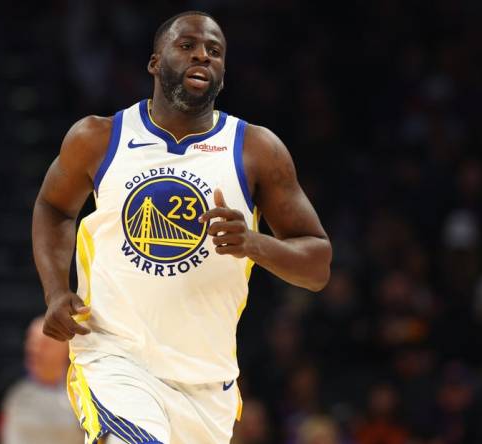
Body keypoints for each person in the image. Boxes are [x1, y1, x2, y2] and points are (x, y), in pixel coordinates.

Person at [31, 10, 331, 444]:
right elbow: (53, 206)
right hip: (116, 358)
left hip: (208, 385)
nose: (202, 57)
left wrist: (253, 243)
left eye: (215, 51)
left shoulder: (256, 151)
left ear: (223, 74)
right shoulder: (98, 138)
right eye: (187, 46)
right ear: (155, 63)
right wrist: (56, 290)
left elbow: (318, 264)